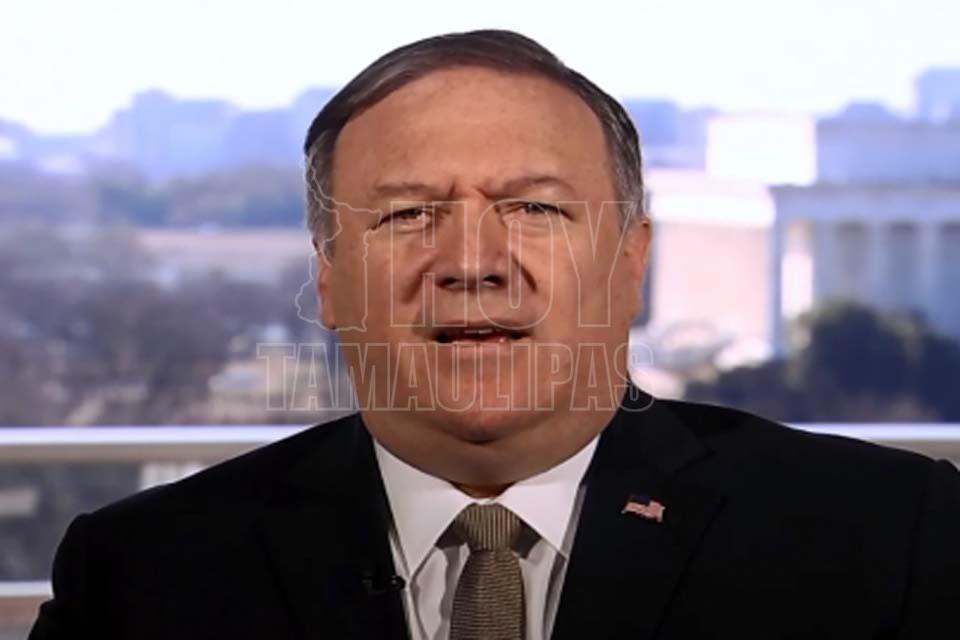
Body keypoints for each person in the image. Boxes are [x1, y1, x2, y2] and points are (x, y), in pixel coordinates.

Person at [30, 29, 960, 640]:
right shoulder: (141, 577)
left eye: (534, 209)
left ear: (631, 261)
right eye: (407, 216)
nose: (472, 263)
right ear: (330, 276)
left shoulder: (893, 539)